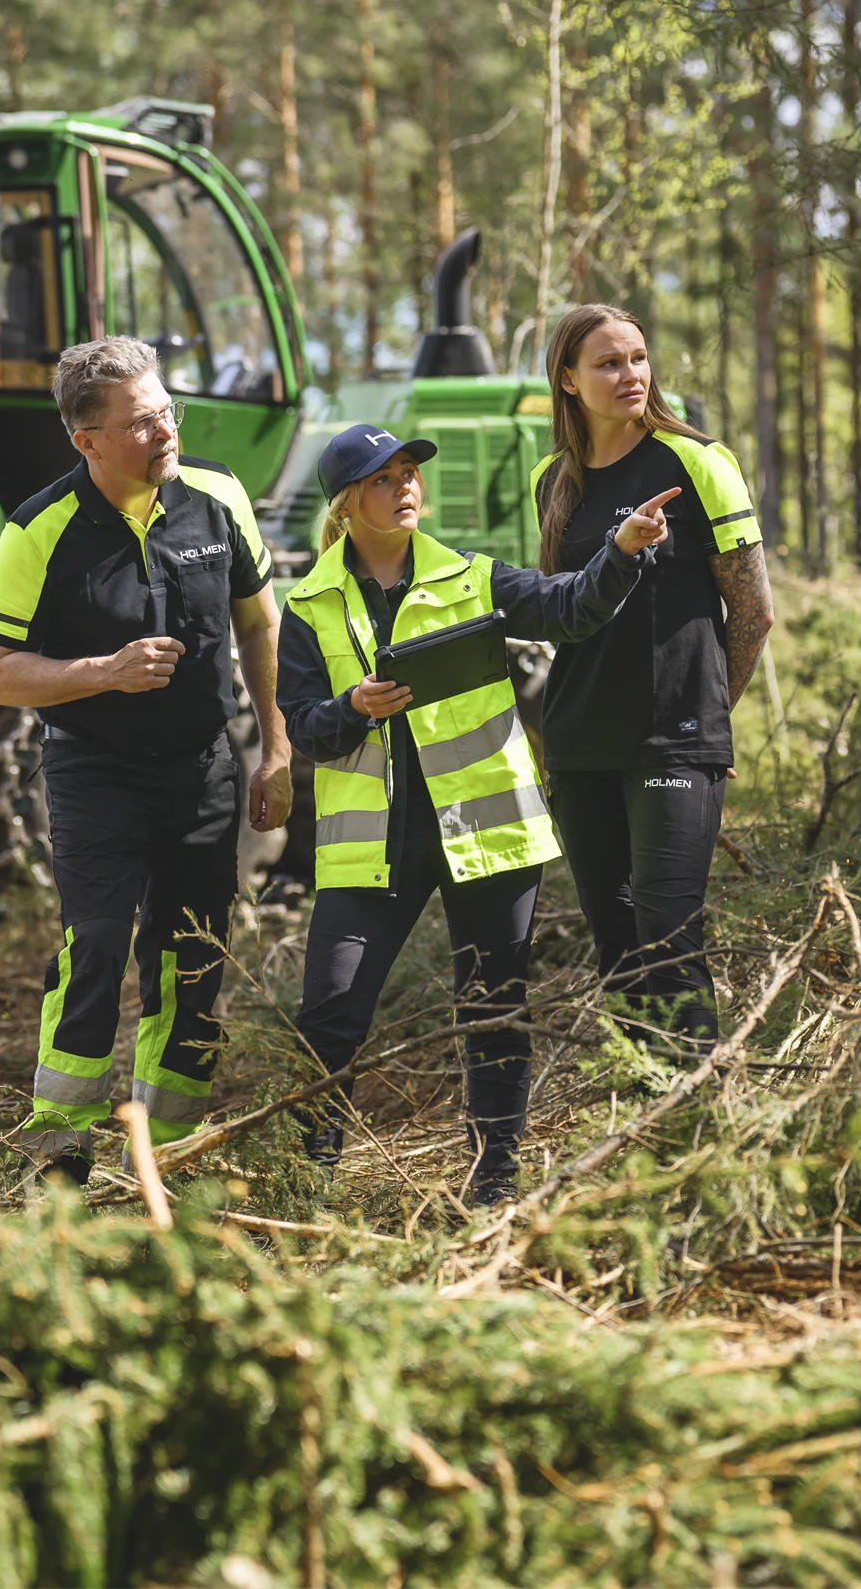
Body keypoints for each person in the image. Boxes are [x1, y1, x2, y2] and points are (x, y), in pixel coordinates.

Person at [279, 423, 674, 1204]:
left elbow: (569, 610)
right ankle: (306, 1181)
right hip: (372, 851)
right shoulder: (307, 603)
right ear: (348, 502)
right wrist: (353, 707)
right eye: (384, 479)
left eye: (409, 474)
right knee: (329, 1016)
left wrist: (622, 551)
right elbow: (303, 726)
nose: (406, 488)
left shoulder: (472, 575)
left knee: (494, 1011)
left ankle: (493, 1179)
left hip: (488, 835)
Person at [0, 336, 292, 1183]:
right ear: (88, 441)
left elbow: (260, 624)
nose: (165, 432)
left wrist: (276, 746)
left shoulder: (219, 495)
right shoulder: (36, 531)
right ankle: (58, 1158)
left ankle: (166, 1156)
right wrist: (101, 673)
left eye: (166, 412)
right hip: (94, 775)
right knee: (100, 944)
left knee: (194, 955)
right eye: (142, 422)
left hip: (204, 768)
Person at [529, 305, 773, 1053]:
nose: (630, 374)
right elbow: (562, 609)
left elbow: (754, 612)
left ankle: (701, 1118)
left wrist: (708, 719)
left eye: (637, 358)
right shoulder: (552, 481)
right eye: (608, 362)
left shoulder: (698, 462)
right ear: (568, 381)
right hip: (579, 747)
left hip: (675, 742)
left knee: (668, 941)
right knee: (619, 955)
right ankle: (642, 1121)